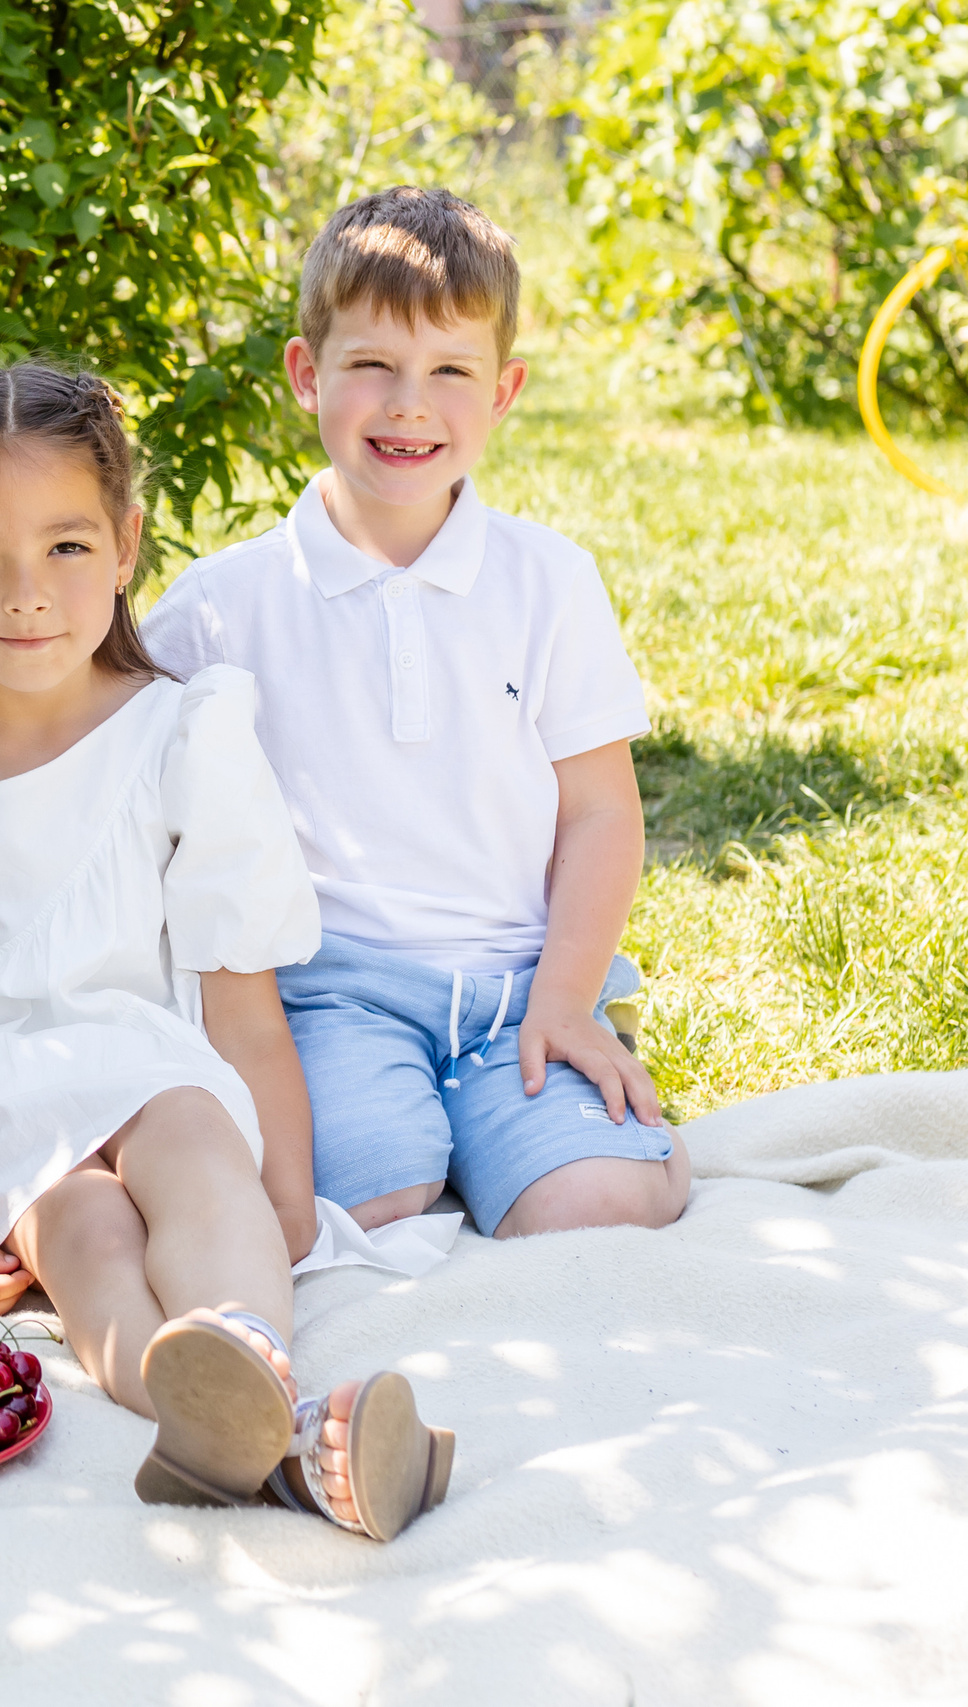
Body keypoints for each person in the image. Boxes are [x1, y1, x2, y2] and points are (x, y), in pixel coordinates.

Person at [0, 358, 454, 1543]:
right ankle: (286, 1434)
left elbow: (241, 1006)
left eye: (66, 548)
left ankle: (246, 1384)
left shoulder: (185, 733)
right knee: (78, 1226)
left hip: (144, 1061)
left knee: (193, 1137)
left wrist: (285, 1197)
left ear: (124, 546)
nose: (27, 594)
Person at [138, 186, 688, 1241]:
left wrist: (563, 1001)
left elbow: (600, 816)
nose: (408, 405)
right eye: (371, 368)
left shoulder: (547, 581)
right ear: (308, 375)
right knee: (364, 1193)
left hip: (517, 987)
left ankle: (522, 1129)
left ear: (504, 391)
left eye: (449, 372)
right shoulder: (226, 601)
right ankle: (423, 1138)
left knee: (600, 1208)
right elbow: (94, 729)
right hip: (325, 991)